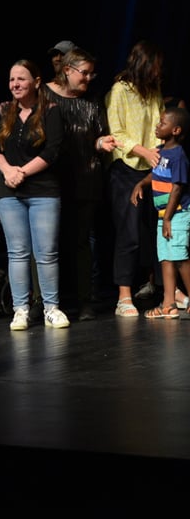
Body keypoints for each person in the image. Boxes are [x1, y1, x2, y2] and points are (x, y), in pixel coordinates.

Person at [0, 59, 69, 331]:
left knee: (45, 253)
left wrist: (21, 171)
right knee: (18, 252)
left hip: (42, 190)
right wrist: (8, 171)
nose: (15, 84)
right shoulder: (4, 112)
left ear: (36, 82)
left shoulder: (51, 111)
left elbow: (53, 152)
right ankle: (20, 309)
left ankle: (51, 307)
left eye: (22, 79)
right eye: (12, 80)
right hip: (8, 191)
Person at [44, 47, 119, 320]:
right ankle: (46, 302)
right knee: (48, 243)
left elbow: (99, 136)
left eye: (91, 73)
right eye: (83, 73)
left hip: (86, 179)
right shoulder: (45, 95)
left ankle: (84, 300)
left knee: (81, 242)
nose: (88, 78)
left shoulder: (92, 101)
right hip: (51, 179)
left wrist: (101, 142)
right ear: (67, 70)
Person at [104, 39, 165, 318]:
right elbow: (116, 132)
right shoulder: (120, 90)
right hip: (127, 168)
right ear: (143, 64)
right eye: (154, 66)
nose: (158, 72)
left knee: (159, 231)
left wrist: (160, 151)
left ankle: (167, 291)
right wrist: (144, 151)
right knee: (128, 232)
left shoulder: (153, 91)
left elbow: (158, 122)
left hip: (153, 165)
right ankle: (124, 296)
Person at [130, 107, 190, 318]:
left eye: (163, 123)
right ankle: (169, 304)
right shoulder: (160, 150)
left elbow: (177, 187)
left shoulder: (178, 155)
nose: (157, 125)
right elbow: (155, 174)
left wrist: (168, 218)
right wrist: (141, 184)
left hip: (177, 214)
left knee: (180, 257)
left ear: (175, 130)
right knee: (165, 257)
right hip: (163, 216)